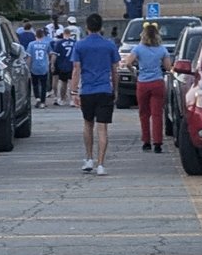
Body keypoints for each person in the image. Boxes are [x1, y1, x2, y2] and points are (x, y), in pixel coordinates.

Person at [72, 12, 121, 173]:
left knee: (88, 124)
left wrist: (74, 91)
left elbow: (76, 69)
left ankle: (88, 158)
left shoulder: (80, 45)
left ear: (87, 27)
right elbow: (115, 70)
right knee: (102, 128)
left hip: (87, 90)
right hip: (104, 89)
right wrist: (115, 89)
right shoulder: (109, 45)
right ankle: (101, 164)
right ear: (101, 27)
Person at [133, 20, 169, 155]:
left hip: (143, 83)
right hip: (157, 82)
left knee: (144, 113)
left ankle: (146, 142)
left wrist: (134, 71)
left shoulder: (138, 49)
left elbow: (128, 62)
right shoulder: (162, 49)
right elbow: (168, 67)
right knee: (157, 114)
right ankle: (158, 143)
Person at [51, 26, 76, 107]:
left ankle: (62, 99)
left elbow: (54, 55)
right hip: (72, 64)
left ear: (63, 34)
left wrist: (52, 64)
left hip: (62, 64)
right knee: (72, 82)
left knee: (63, 82)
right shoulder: (75, 43)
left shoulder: (59, 43)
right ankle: (72, 100)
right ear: (70, 34)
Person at [28, 24, 53, 103]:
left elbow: (29, 57)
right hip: (44, 66)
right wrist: (51, 63)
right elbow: (50, 54)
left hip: (34, 66)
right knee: (43, 85)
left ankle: (37, 98)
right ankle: (43, 102)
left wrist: (28, 66)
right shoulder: (46, 44)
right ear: (43, 35)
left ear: (35, 35)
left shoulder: (31, 44)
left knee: (35, 84)